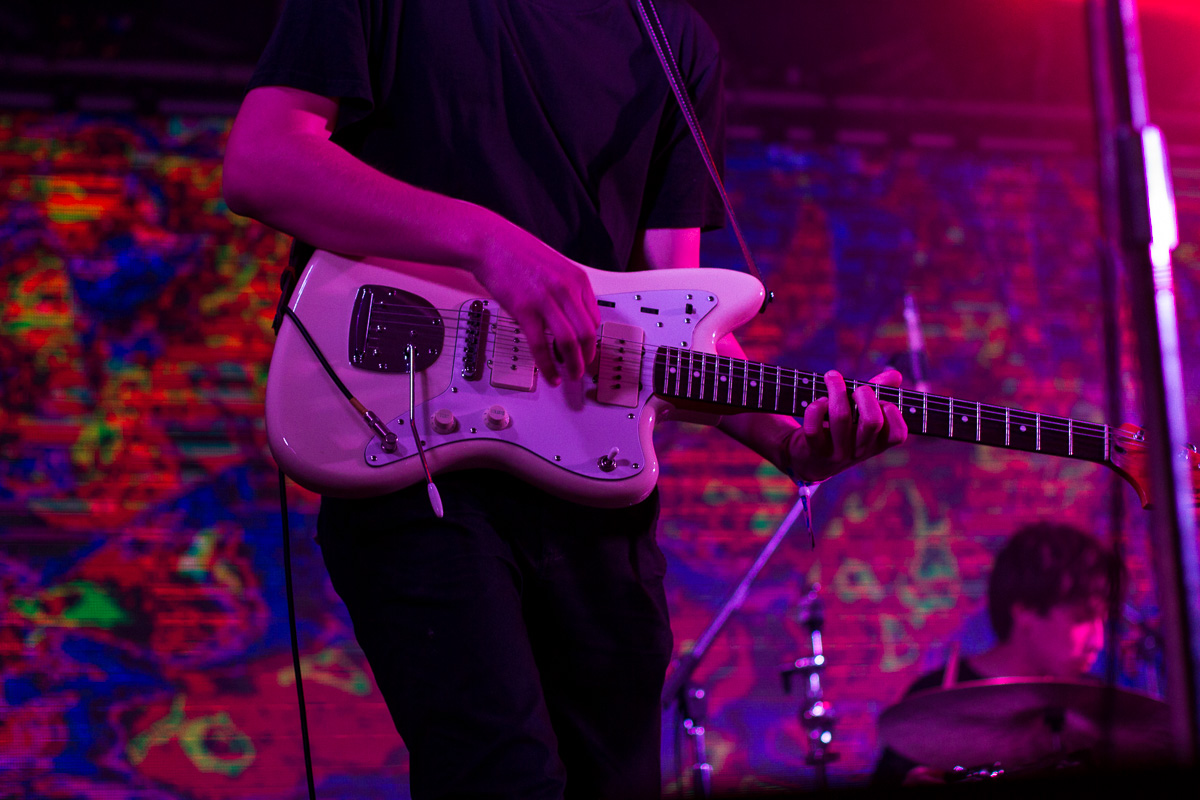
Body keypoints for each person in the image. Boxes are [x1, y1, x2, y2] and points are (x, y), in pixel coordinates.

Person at [222, 1, 908, 797]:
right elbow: (263, 160)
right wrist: (487, 241)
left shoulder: (673, 37)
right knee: (503, 779)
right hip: (416, 449)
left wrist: (787, 439)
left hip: (594, 481)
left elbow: (669, 319)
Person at [872, 521, 1122, 786]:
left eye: (1103, 619)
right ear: (1025, 612)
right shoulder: (931, 697)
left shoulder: (1094, 704)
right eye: (1081, 618)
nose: (1098, 641)